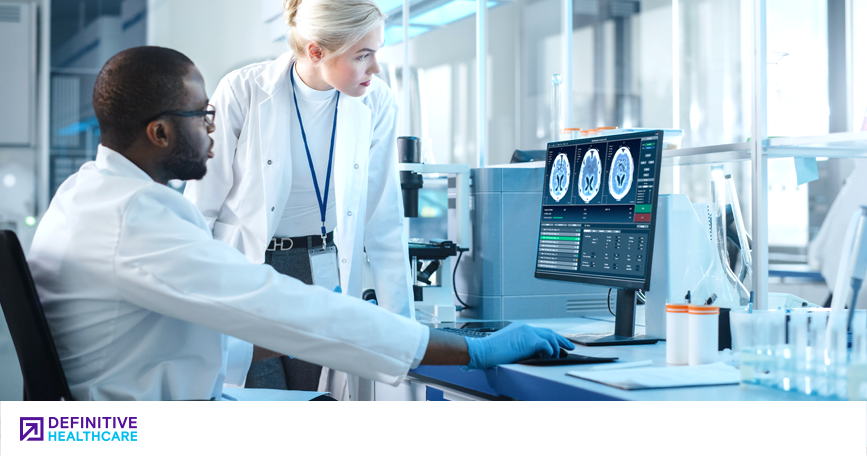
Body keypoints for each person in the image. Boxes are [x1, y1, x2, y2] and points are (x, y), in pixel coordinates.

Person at [27, 46, 573, 401]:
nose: (214, 132)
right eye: (203, 117)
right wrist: (468, 349)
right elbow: (275, 305)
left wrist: (327, 328)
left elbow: (209, 327)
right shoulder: (138, 215)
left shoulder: (87, 194)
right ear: (160, 134)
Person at [184, 0, 415, 395]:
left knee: (315, 404)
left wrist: (404, 338)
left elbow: (383, 223)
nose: (374, 68)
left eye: (376, 53)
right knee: (257, 403)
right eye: (362, 56)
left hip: (322, 273)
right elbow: (200, 207)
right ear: (315, 51)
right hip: (249, 273)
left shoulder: (377, 102)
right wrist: (187, 311)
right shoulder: (243, 90)